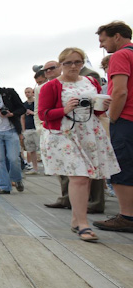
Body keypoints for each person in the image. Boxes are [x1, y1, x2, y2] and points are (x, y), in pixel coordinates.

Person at [39, 47, 120, 242]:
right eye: (68, 63)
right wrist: (65, 109)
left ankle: (76, 220)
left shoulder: (91, 81)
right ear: (61, 65)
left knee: (87, 177)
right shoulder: (51, 86)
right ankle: (84, 224)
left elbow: (96, 112)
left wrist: (102, 108)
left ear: (83, 63)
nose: (73, 66)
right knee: (80, 177)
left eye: (77, 62)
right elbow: (43, 114)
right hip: (65, 134)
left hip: (89, 132)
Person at [93, 21, 133, 233]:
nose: (102, 45)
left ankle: (127, 216)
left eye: (103, 40)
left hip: (126, 120)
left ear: (117, 36)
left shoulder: (120, 55)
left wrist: (114, 117)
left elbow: (120, 91)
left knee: (121, 167)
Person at [21, 87, 40, 175]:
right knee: (31, 149)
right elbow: (22, 117)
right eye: (25, 92)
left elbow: (41, 113)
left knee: (42, 148)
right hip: (28, 129)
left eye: (28, 92)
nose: (27, 94)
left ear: (33, 93)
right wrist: (23, 130)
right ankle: (35, 168)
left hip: (37, 128)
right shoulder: (24, 104)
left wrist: (32, 113)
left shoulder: (37, 103)